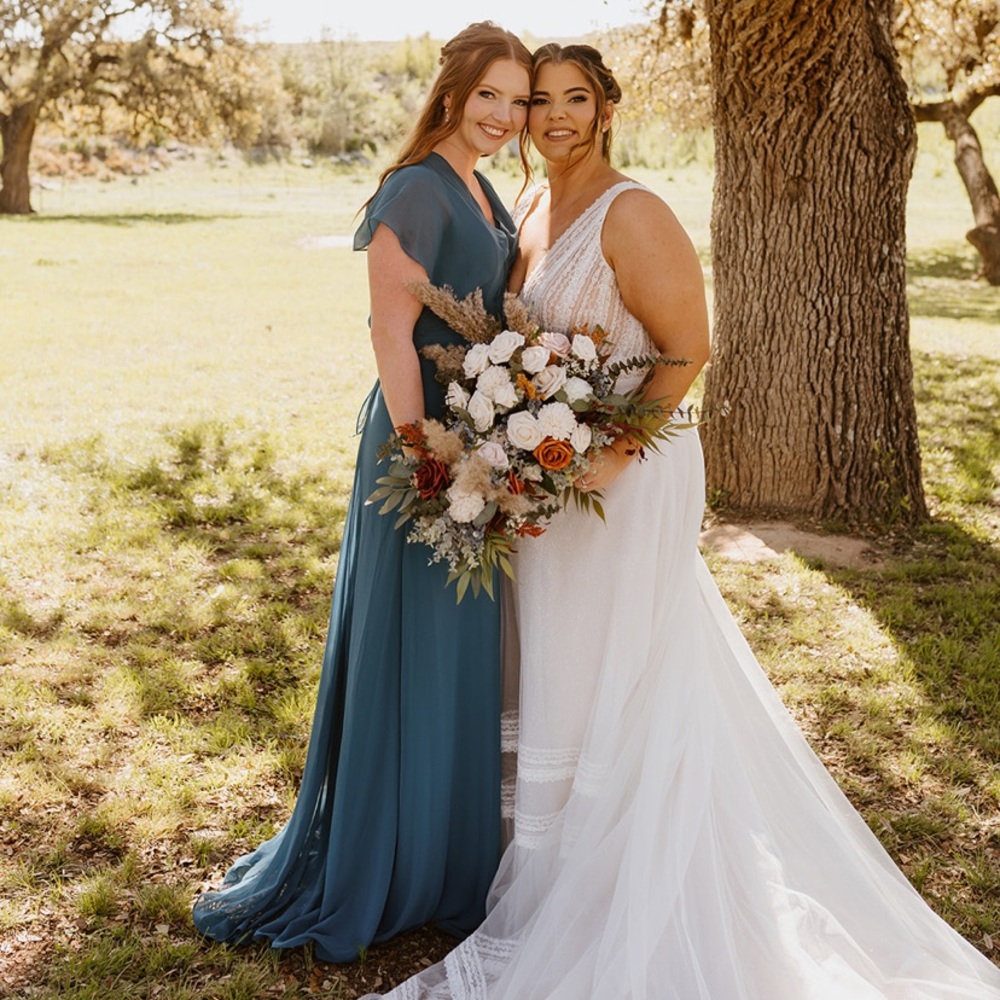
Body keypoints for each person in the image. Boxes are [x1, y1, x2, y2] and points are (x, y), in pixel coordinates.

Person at [362, 43, 1000, 998]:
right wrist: (525, 455)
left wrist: (606, 460)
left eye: (575, 100)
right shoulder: (530, 205)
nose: (554, 117)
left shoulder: (635, 211)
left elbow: (686, 351)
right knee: (559, 662)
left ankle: (627, 876)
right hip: (550, 478)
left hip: (627, 476)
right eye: (540, 101)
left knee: (623, 665)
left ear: (607, 109)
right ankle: (543, 873)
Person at [191, 22, 532, 964]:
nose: (503, 115)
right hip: (420, 443)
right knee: (408, 645)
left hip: (471, 441)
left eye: (516, 99)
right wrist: (427, 449)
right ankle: (387, 860)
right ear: (456, 91)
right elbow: (391, 329)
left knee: (455, 646)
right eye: (489, 95)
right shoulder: (416, 187)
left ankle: (447, 858)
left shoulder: (481, 183)